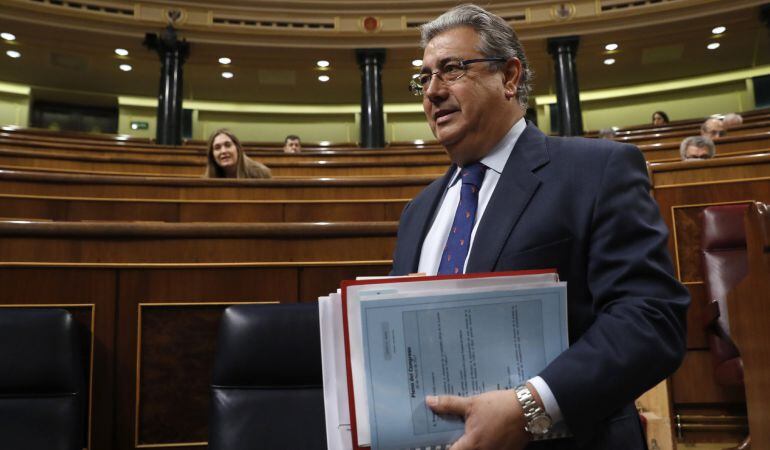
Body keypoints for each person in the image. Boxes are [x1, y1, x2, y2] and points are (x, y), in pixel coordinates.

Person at [391, 5, 689, 449]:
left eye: (451, 70)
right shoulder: (417, 211)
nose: (432, 92)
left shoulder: (597, 169)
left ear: (510, 77)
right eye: (424, 78)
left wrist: (531, 408)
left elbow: (650, 317)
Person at [203, 129, 272, 179]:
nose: (223, 151)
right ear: (212, 155)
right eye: (217, 147)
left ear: (238, 149)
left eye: (228, 145)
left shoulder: (260, 174)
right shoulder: (208, 178)